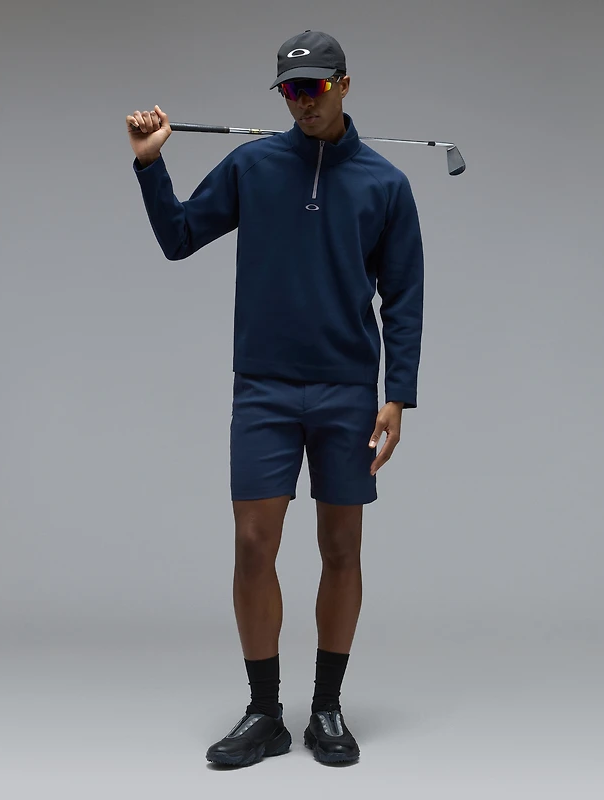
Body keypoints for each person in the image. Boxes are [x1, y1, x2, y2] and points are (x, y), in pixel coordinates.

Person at [126, 29, 424, 767]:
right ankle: (265, 714)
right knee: (253, 545)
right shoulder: (253, 166)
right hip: (263, 386)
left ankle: (326, 709)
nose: (303, 102)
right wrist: (150, 165)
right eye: (291, 90)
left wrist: (398, 395)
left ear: (344, 85)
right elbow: (178, 236)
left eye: (315, 88)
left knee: (341, 548)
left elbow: (404, 297)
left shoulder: (385, 184)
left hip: (348, 391)